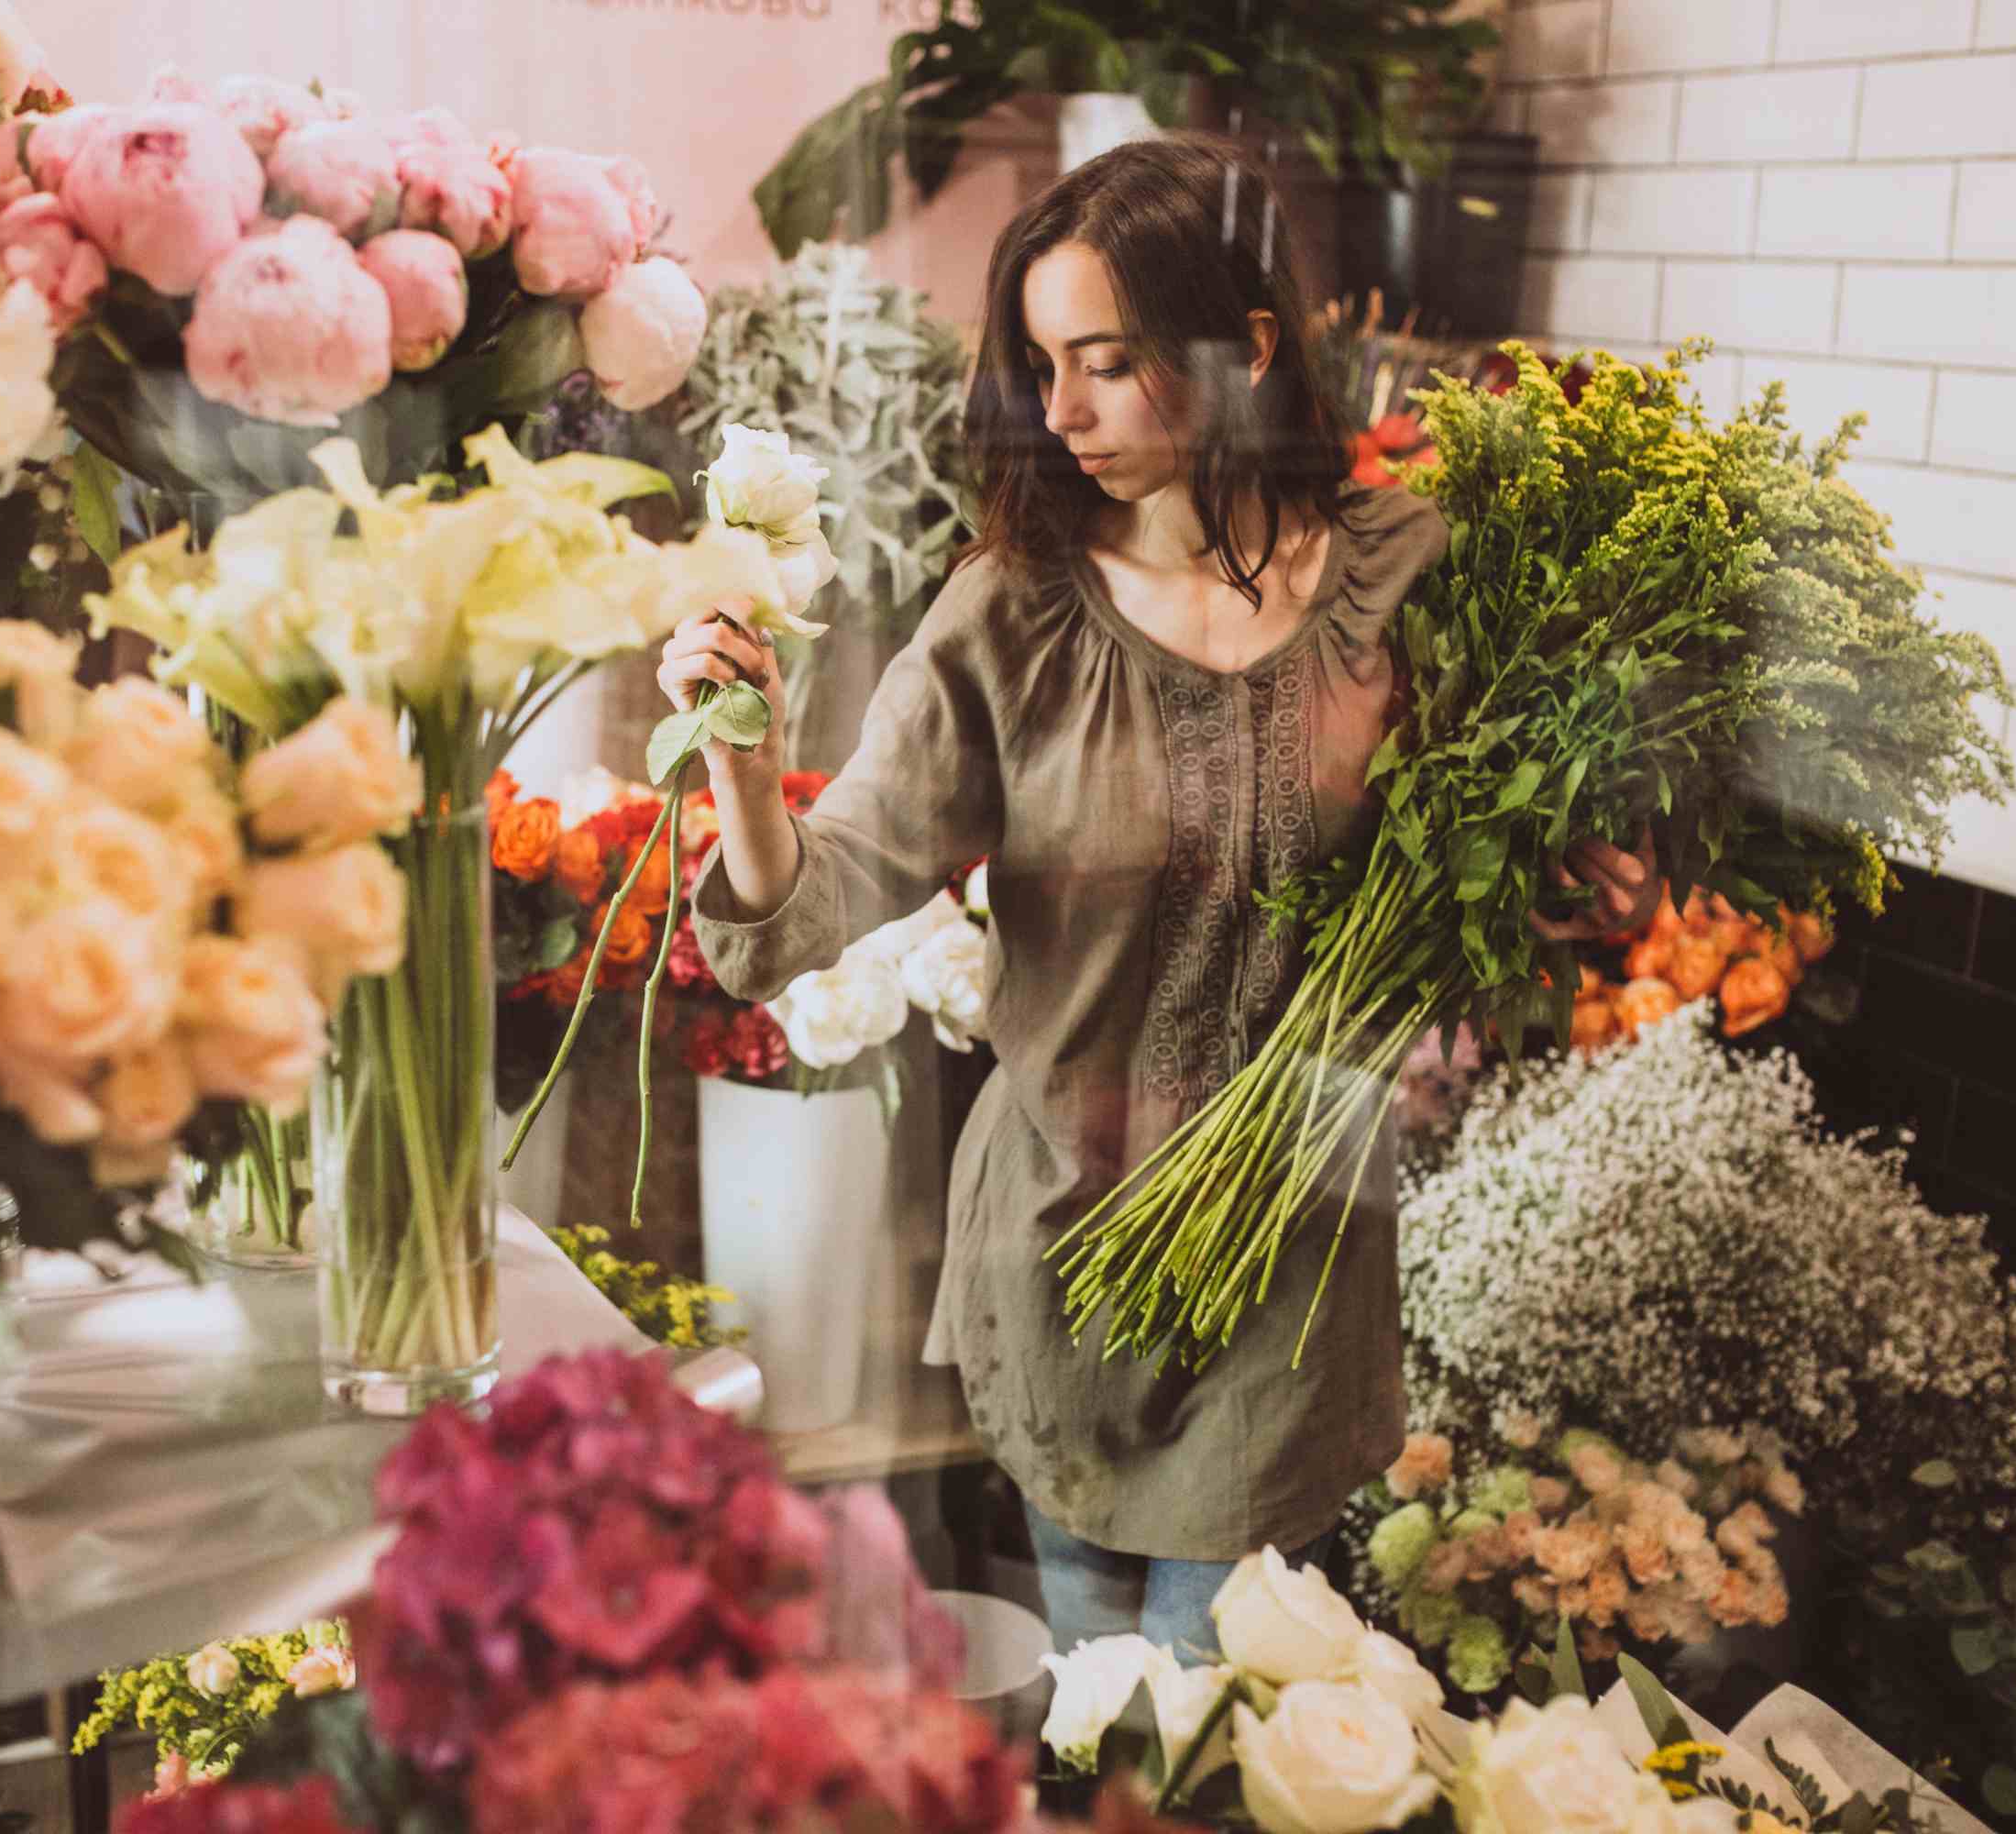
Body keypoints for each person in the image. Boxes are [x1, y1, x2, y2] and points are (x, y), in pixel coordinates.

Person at [665, 135, 1659, 1655]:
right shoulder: (1013, 611)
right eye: (1043, 363)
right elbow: (816, 901)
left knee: (1208, 1705)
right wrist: (745, 757)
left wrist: (1579, 876)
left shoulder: (1405, 577)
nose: (1059, 412)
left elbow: (1470, 857)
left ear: (1244, 350)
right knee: (1098, 1707)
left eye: (1108, 363)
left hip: (1297, 1262)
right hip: (1066, 1246)